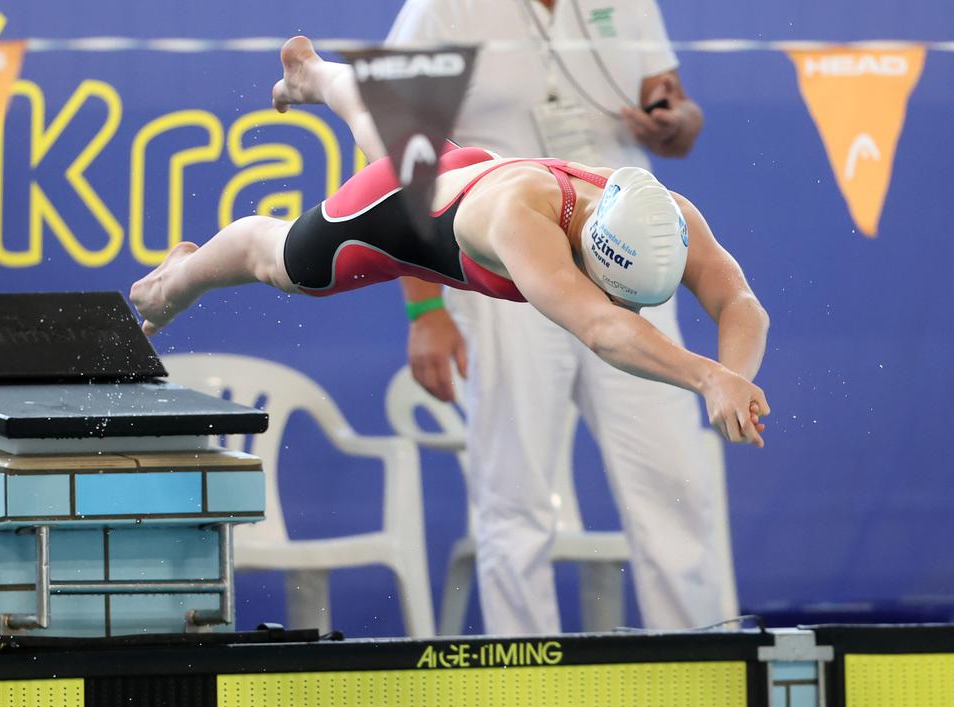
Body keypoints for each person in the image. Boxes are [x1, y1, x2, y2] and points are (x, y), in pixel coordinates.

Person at [130, 37, 770, 461]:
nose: (618, 300)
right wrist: (706, 377)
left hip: (464, 172)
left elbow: (739, 301)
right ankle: (175, 278)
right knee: (287, 262)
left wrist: (734, 378)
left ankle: (315, 74)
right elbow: (604, 330)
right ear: (596, 260)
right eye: (620, 292)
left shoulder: (663, 213)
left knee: (394, 141)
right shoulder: (527, 228)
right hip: (404, 217)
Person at [386, 0, 728, 635]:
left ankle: (702, 672)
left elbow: (675, 107)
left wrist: (673, 123)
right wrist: (426, 307)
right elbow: (400, 162)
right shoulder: (441, 10)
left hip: (625, 273)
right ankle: (528, 692)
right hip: (504, 268)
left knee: (674, 484)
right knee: (516, 498)